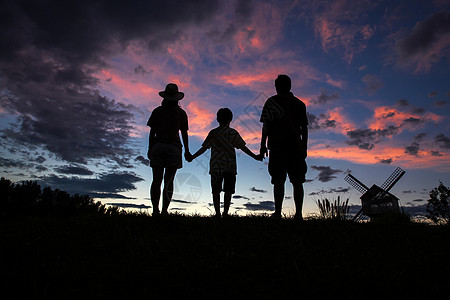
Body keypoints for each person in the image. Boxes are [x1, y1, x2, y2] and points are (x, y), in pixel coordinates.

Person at [187, 108, 262, 218]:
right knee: (228, 190)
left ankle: (218, 213)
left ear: (217, 119)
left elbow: (204, 148)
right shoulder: (233, 133)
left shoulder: (213, 133)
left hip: (216, 166)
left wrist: (193, 157)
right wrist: (255, 156)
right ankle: (225, 213)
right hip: (229, 166)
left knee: (216, 190)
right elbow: (243, 147)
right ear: (230, 119)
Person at [259, 74, 308, 220]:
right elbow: (304, 129)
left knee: (283, 180)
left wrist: (262, 145)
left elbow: (265, 127)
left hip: (281, 147)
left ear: (278, 86)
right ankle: (293, 214)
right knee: (293, 181)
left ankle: (282, 213)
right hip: (289, 147)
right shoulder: (298, 104)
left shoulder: (272, 102)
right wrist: (304, 147)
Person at [147, 83, 191, 216]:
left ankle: (156, 210)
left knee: (156, 180)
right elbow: (184, 133)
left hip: (158, 146)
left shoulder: (157, 111)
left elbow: (152, 132)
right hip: (173, 148)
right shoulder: (181, 113)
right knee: (169, 181)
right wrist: (187, 150)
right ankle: (164, 210)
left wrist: (150, 148)